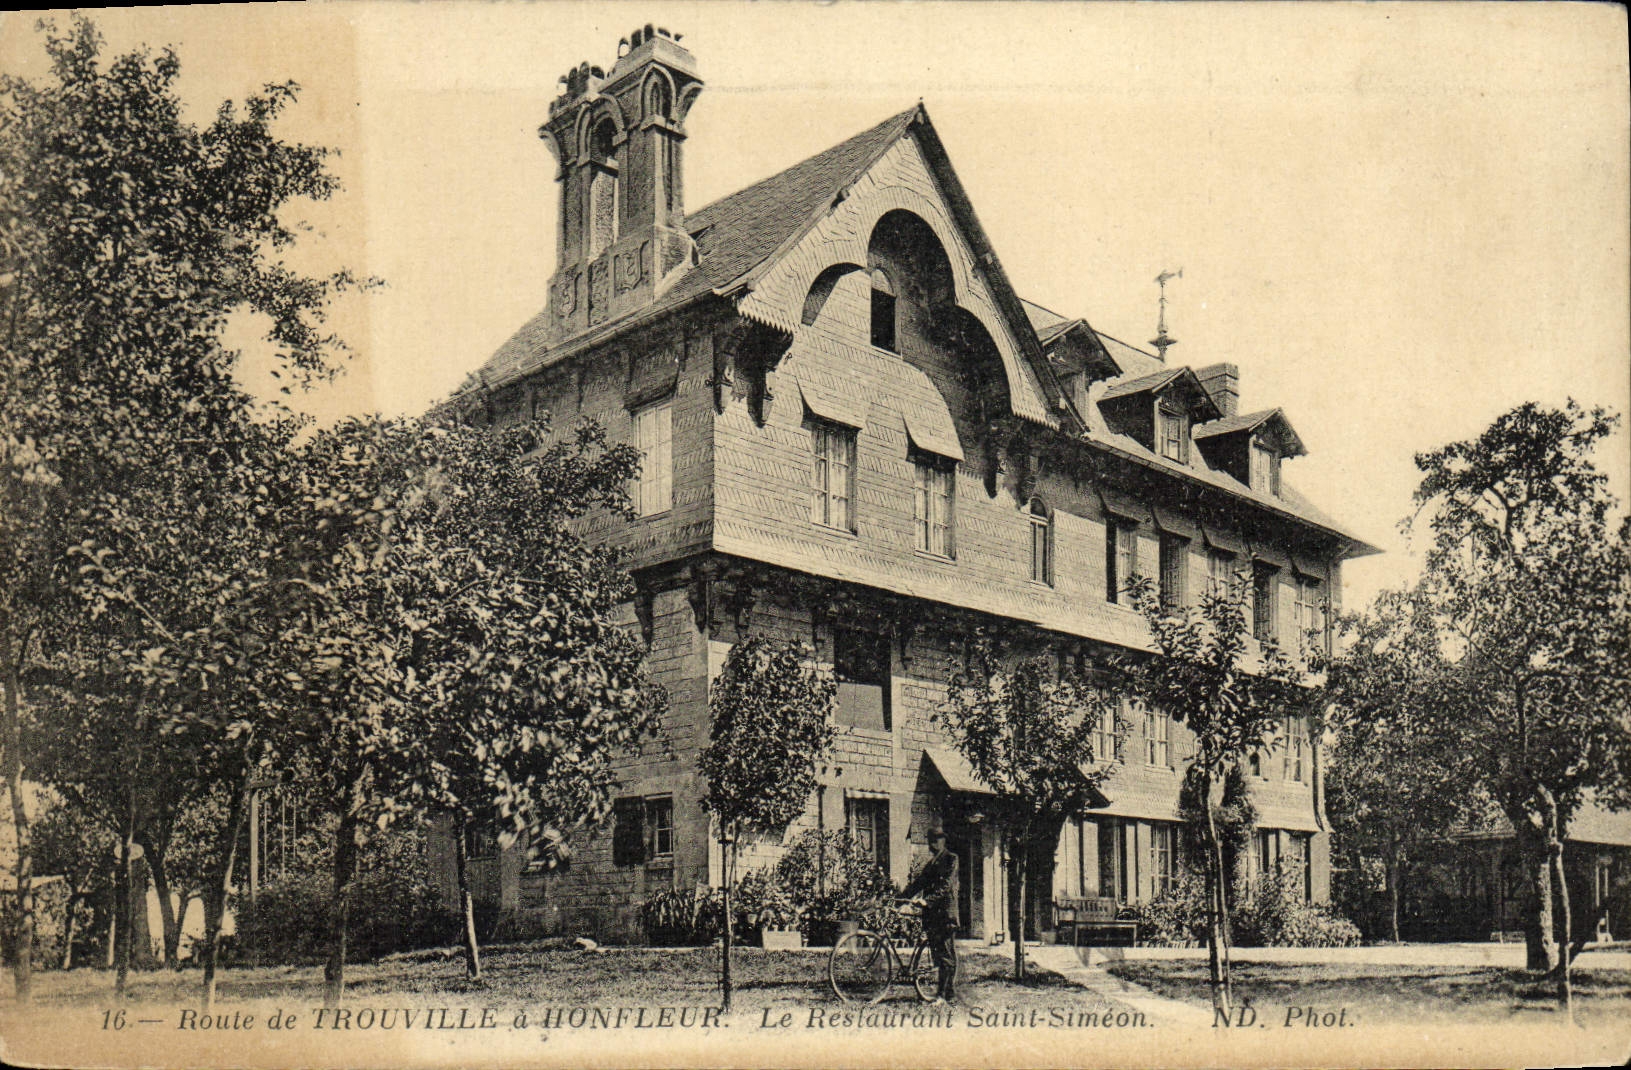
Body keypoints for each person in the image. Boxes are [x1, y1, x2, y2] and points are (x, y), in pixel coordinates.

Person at [902, 822, 959, 1004]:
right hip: (933, 916)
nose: (932, 844)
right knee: (939, 956)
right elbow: (918, 883)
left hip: (945, 915)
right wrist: (900, 898)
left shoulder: (951, 859)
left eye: (936, 840)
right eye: (930, 840)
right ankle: (947, 994)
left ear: (943, 841)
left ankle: (943, 996)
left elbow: (946, 886)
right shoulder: (931, 864)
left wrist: (927, 900)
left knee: (945, 956)